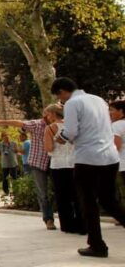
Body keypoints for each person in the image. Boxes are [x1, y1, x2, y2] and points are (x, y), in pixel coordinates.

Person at [52, 77, 125, 258]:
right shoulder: (98, 100)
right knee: (109, 201)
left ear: (62, 91)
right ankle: (96, 243)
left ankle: (97, 245)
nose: (61, 101)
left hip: (88, 158)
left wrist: (60, 137)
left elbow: (70, 132)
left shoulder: (72, 103)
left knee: (89, 203)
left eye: (60, 97)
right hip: (110, 156)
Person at [0, 109, 56, 230]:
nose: (54, 116)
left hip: (55, 161)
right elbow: (19, 123)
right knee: (42, 192)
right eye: (51, 114)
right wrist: (0, 122)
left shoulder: (60, 124)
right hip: (38, 162)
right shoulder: (37, 124)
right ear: (45, 115)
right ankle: (48, 219)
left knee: (58, 190)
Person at [42, 103, 85, 234]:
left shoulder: (50, 128)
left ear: (53, 114)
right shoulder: (73, 126)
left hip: (58, 164)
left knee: (62, 196)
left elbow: (49, 148)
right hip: (74, 163)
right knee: (77, 195)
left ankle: (67, 225)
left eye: (48, 114)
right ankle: (82, 223)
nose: (46, 117)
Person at [110, 100, 125, 185]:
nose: (109, 112)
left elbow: (116, 147)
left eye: (112, 109)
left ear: (121, 111)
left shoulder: (116, 125)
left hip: (121, 165)